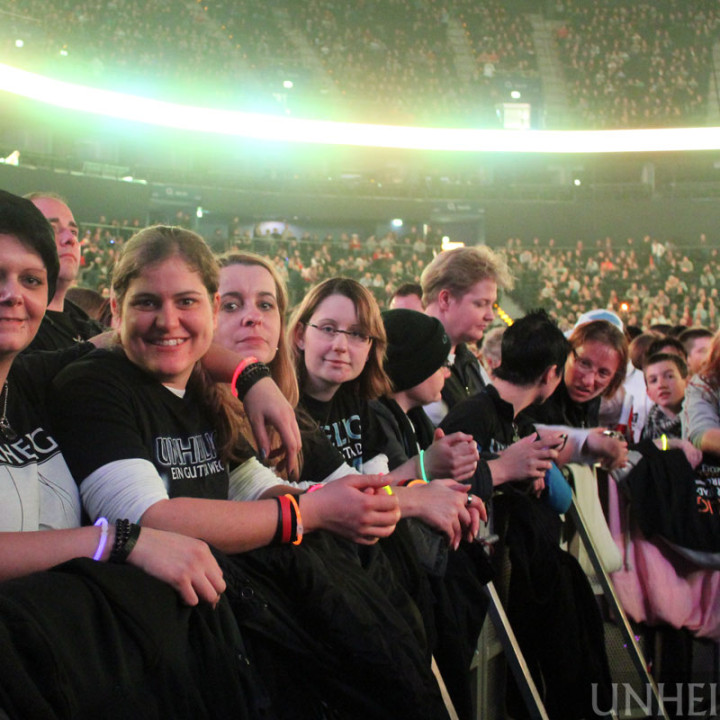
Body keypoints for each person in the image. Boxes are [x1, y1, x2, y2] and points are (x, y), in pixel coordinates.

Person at [49, 226, 449, 719]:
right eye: (147, 302)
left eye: (187, 302)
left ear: (208, 309)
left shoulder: (202, 384)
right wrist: (308, 513)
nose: (167, 320)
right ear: (116, 308)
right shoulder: (93, 383)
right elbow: (144, 520)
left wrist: (355, 501)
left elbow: (247, 483)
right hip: (174, 631)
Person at [0, 191, 266, 719]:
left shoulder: (35, 377)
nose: (12, 295)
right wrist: (120, 541)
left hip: (63, 665)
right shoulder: (71, 382)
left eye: (30, 280)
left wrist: (251, 376)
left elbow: (161, 334)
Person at [439, 310, 613, 719]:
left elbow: (561, 499)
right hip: (486, 580)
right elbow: (451, 485)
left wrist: (536, 470)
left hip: (523, 573)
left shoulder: (524, 422)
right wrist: (506, 471)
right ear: (552, 374)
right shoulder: (472, 416)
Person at [288, 276, 485, 547]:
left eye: (357, 334)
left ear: (371, 347)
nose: (340, 345)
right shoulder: (283, 406)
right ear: (300, 336)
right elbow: (346, 498)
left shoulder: (357, 400)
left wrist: (433, 488)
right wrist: (423, 477)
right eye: (328, 328)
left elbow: (378, 484)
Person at [421, 245, 514, 425]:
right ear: (445, 299)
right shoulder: (411, 365)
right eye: (480, 304)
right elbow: (410, 452)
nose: (490, 316)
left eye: (491, 305)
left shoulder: (470, 362)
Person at [23, 192, 105, 351]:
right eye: (51, 228)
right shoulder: (11, 328)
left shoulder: (88, 326)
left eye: (73, 231)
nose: (71, 238)